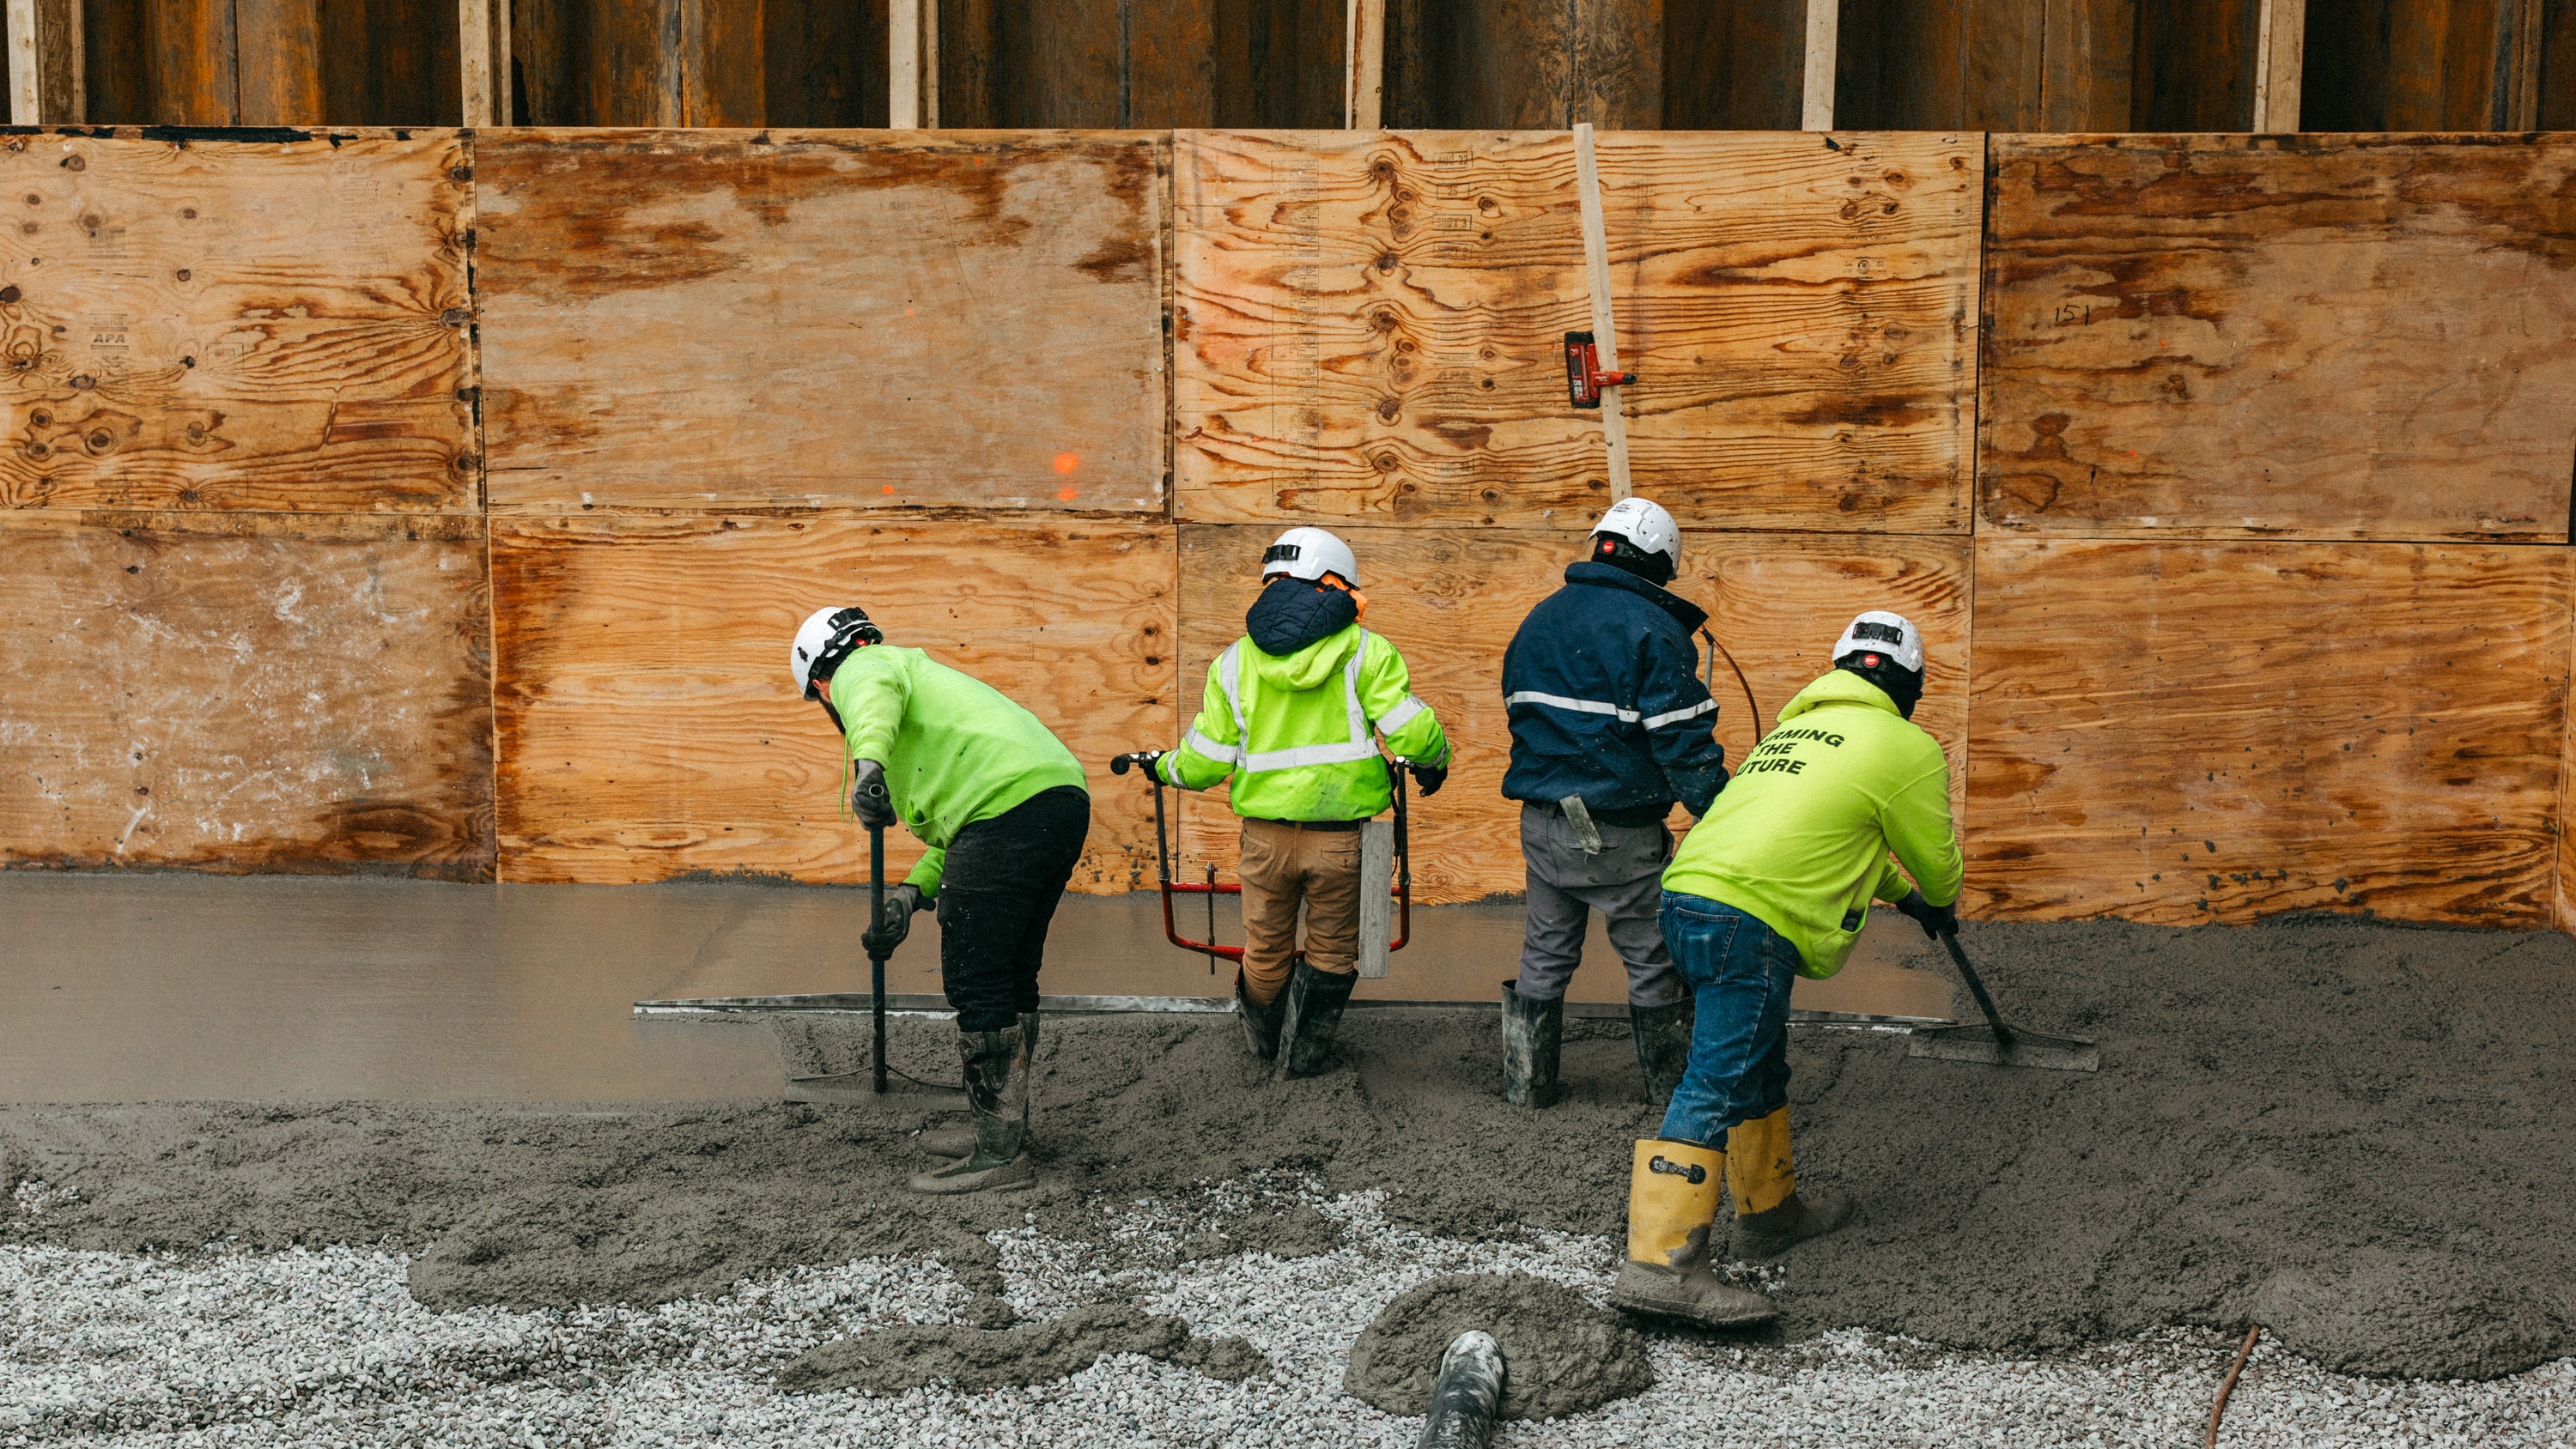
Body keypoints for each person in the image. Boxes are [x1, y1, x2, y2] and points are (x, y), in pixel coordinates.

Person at [1610, 610, 1964, 1327]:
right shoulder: (1906, 745)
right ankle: (1659, 1265)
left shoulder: (1793, 734)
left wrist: (1903, 899)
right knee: (1715, 1079)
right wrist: (1937, 898)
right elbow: (1938, 866)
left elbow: (1833, 834)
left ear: (1840, 670)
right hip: (1748, 921)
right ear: (1912, 685)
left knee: (1756, 1065)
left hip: (1689, 900)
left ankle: (1770, 1214)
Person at [789, 605, 1091, 1196]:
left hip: (1007, 810)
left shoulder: (864, 668)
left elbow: (867, 696)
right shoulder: (924, 697)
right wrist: (909, 896)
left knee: (977, 979)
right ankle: (1000, 1129)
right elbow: (961, 835)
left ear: (821, 683)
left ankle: (1000, 1155)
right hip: (1053, 800)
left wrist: (867, 764)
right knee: (1010, 975)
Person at [1138, 527, 1450, 1077]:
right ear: (1335, 585)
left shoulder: (1233, 663)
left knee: (1264, 949)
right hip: (1342, 842)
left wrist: (1162, 766)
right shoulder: (1365, 652)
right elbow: (1413, 733)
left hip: (1265, 840)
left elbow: (1203, 763)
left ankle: (1262, 1051)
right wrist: (1434, 760)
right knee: (1332, 950)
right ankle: (1303, 1059)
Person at [1498, 497, 1728, 1109]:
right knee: (1653, 959)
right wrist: (1719, 810)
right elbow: (1683, 743)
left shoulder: (1540, 618)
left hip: (1543, 821)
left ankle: (1526, 1087)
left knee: (1545, 953)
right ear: (1660, 566)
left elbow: (1521, 711)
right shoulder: (1654, 630)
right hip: (1617, 831)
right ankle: (1671, 1093)